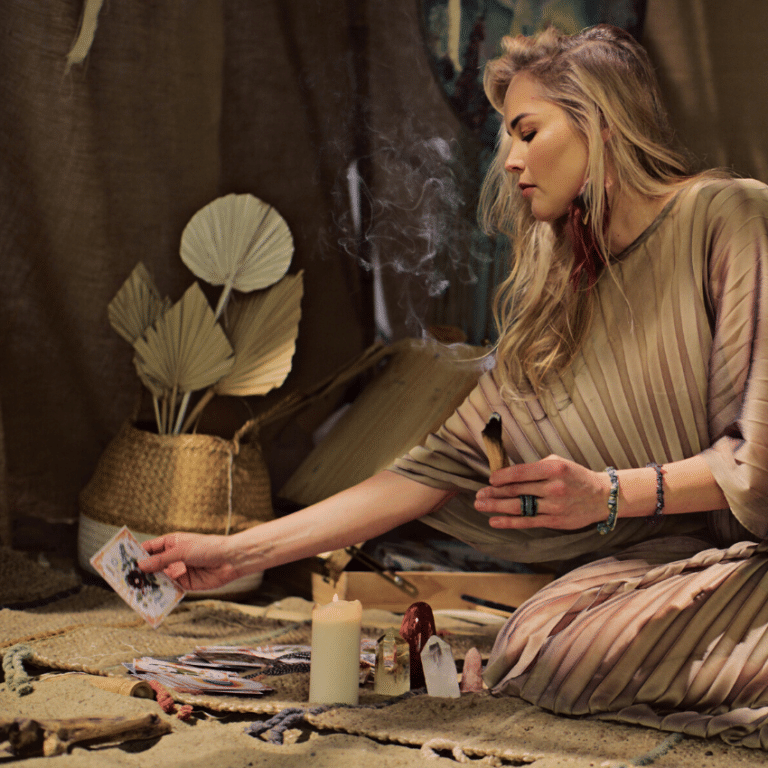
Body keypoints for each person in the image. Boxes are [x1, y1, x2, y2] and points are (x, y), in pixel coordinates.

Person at [140, 25, 768, 746]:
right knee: (533, 641)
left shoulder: (730, 216)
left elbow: (759, 457)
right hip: (705, 561)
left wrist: (609, 495)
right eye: (508, 137)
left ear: (598, 124)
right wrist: (240, 551)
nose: (509, 160)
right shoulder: (571, 297)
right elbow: (434, 466)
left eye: (528, 131)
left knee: (567, 654)